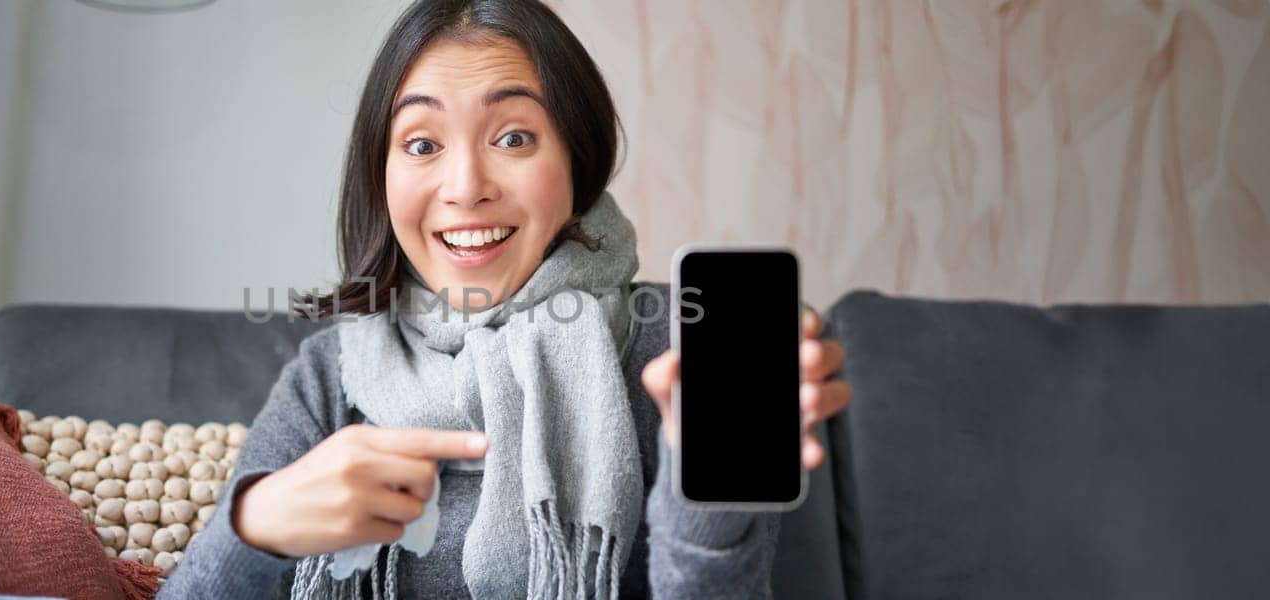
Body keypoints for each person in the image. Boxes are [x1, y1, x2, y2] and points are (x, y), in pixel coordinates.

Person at [160, 0, 851, 597]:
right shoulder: (328, 377)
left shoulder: (678, 346)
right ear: (382, 176)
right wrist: (255, 527)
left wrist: (708, 499)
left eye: (514, 137)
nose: (465, 186)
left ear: (575, 160)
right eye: (422, 143)